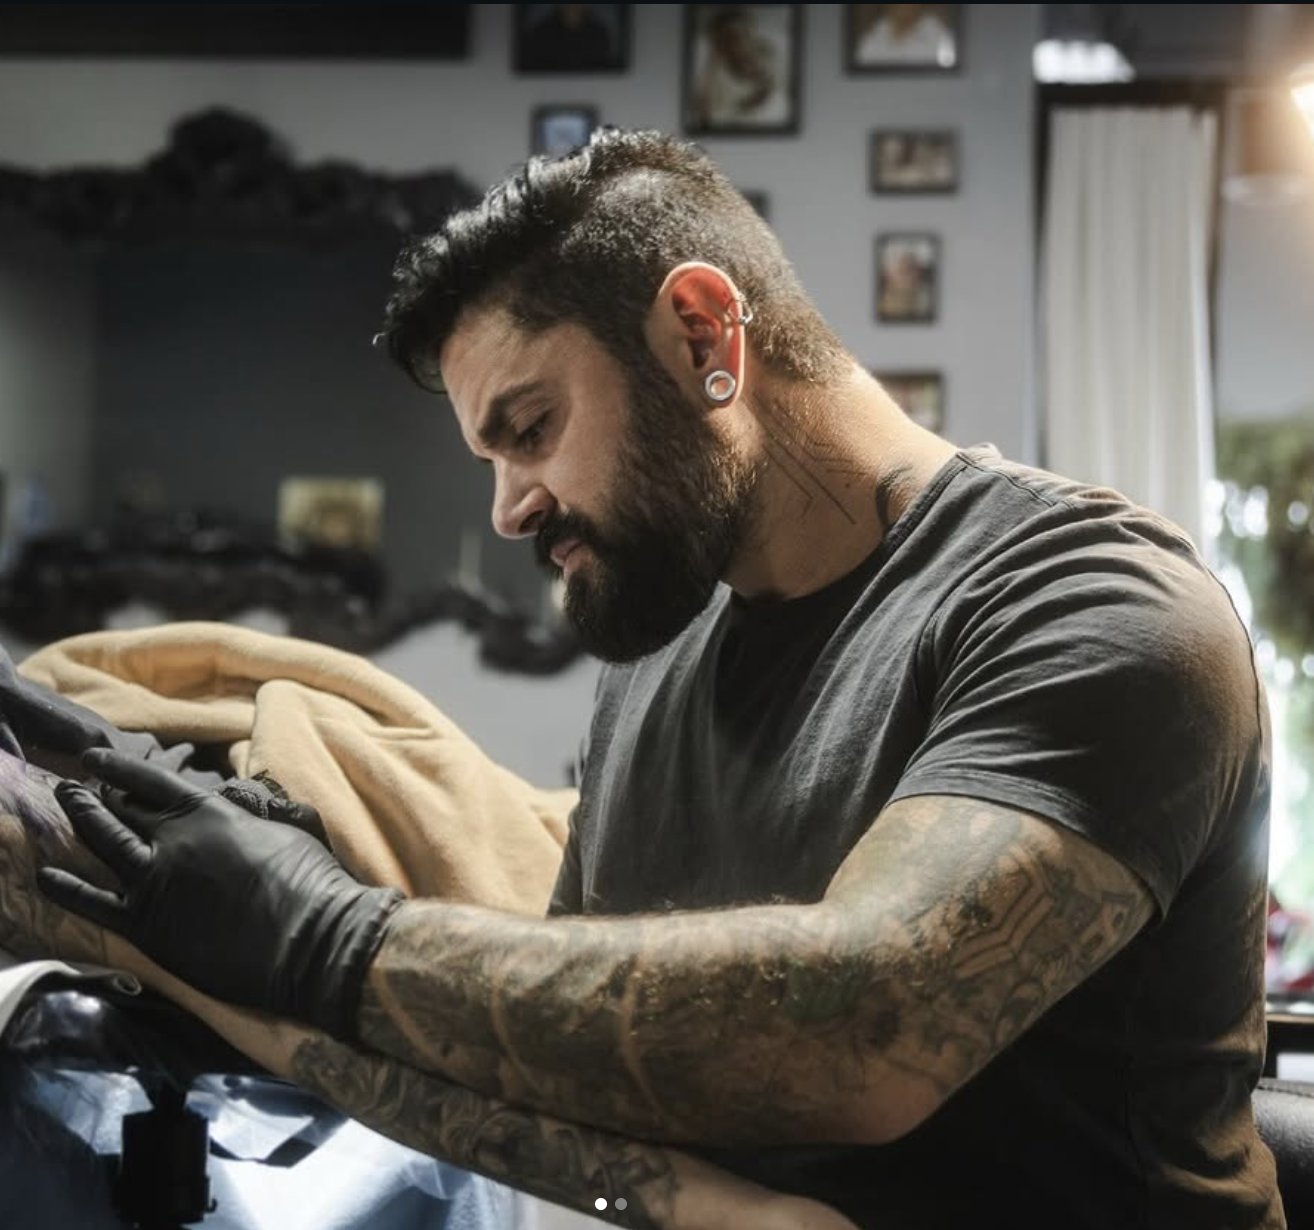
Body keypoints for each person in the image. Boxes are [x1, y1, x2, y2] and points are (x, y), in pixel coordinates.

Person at [37, 129, 1281, 1229]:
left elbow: (864, 1031)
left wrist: (323, 936)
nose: (510, 507)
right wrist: (204, 935)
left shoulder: (1093, 609)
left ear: (702, 334)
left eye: (528, 429)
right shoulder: (663, 650)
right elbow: (578, 1078)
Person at [687, 7, 788, 130]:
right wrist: (745, 107)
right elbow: (708, 120)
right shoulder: (712, 78)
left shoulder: (775, 62)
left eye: (736, 37)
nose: (732, 46)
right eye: (723, 41)